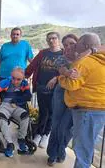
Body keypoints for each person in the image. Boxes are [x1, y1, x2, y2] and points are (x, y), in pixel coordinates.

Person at [58, 33, 105, 168]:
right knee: (89, 145)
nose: (75, 45)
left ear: (84, 45)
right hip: (100, 110)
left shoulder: (84, 62)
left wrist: (61, 78)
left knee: (82, 149)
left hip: (85, 110)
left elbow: (72, 85)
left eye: (77, 43)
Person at [25, 32, 63, 149]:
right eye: (49, 39)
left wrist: (56, 78)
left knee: (52, 112)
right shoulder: (43, 53)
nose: (51, 41)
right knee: (43, 111)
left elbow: (69, 70)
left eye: (54, 38)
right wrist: (23, 75)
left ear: (58, 39)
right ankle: (39, 134)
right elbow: (32, 65)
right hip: (41, 86)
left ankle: (46, 134)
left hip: (56, 89)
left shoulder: (63, 53)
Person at [46, 34, 79, 166]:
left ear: (78, 43)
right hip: (61, 92)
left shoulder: (85, 58)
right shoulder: (61, 58)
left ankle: (61, 150)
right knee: (56, 124)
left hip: (77, 95)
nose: (68, 47)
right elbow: (63, 69)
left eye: (71, 43)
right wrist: (68, 73)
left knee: (68, 128)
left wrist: (89, 51)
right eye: (65, 45)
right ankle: (53, 154)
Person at [0, 68, 32, 157]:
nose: (15, 81)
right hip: (5, 105)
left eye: (18, 79)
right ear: (11, 76)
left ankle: (21, 140)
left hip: (17, 106)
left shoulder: (24, 84)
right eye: (13, 78)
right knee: (1, 117)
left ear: (23, 78)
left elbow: (28, 96)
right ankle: (9, 143)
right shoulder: (5, 82)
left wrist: (16, 101)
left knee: (25, 116)